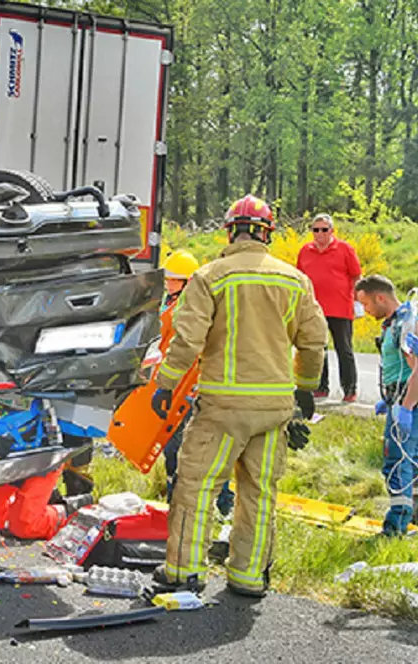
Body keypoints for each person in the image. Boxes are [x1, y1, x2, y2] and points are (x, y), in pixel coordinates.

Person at [150, 194, 326, 598]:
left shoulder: (210, 277)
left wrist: (166, 383)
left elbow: (187, 338)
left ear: (230, 230)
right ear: (268, 234)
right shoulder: (294, 279)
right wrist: (305, 388)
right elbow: (314, 342)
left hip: (222, 408)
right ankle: (248, 578)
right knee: (259, 493)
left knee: (196, 486)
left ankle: (182, 572)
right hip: (273, 409)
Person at [156, 250, 235, 516]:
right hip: (177, 390)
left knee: (199, 451)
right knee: (175, 452)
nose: (169, 284)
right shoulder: (169, 304)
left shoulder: (194, 308)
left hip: (194, 391)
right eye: (168, 279)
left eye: (175, 280)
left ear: (188, 282)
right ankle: (177, 502)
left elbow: (188, 347)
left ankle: (223, 503)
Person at [355, 276, 418, 536]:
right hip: (399, 398)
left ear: (381, 297)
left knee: (397, 463)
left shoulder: (405, 325)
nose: (365, 311)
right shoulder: (395, 323)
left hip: (407, 403)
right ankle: (413, 518)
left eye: (366, 303)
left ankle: (396, 527)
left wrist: (404, 406)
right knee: (412, 463)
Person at [297, 214, 362, 402]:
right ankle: (321, 387)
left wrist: (358, 302)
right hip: (315, 310)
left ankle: (350, 389)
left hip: (341, 308)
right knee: (319, 350)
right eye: (315, 230)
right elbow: (300, 279)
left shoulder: (344, 249)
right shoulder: (305, 251)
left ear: (331, 230)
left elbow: (356, 277)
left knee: (344, 350)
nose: (319, 234)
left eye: (324, 229)